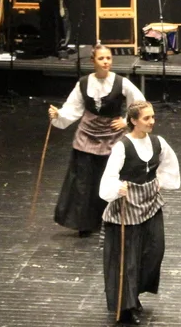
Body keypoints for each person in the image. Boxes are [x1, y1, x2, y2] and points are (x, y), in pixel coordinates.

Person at [48, 44, 145, 237]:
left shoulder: (121, 82)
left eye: (108, 58)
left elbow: (139, 102)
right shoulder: (84, 83)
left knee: (109, 178)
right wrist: (59, 114)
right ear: (93, 61)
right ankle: (84, 222)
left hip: (111, 136)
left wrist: (126, 121)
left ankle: (111, 220)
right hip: (87, 136)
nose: (106, 62)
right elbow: (73, 107)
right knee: (84, 182)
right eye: (101, 58)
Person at [98, 101, 180, 324]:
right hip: (127, 207)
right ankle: (127, 305)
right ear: (133, 120)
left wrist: (159, 182)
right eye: (146, 118)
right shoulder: (122, 147)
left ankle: (135, 293)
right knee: (129, 259)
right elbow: (109, 177)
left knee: (154, 251)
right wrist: (118, 188)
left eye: (152, 117)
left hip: (150, 204)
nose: (152, 121)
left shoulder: (158, 142)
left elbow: (169, 165)